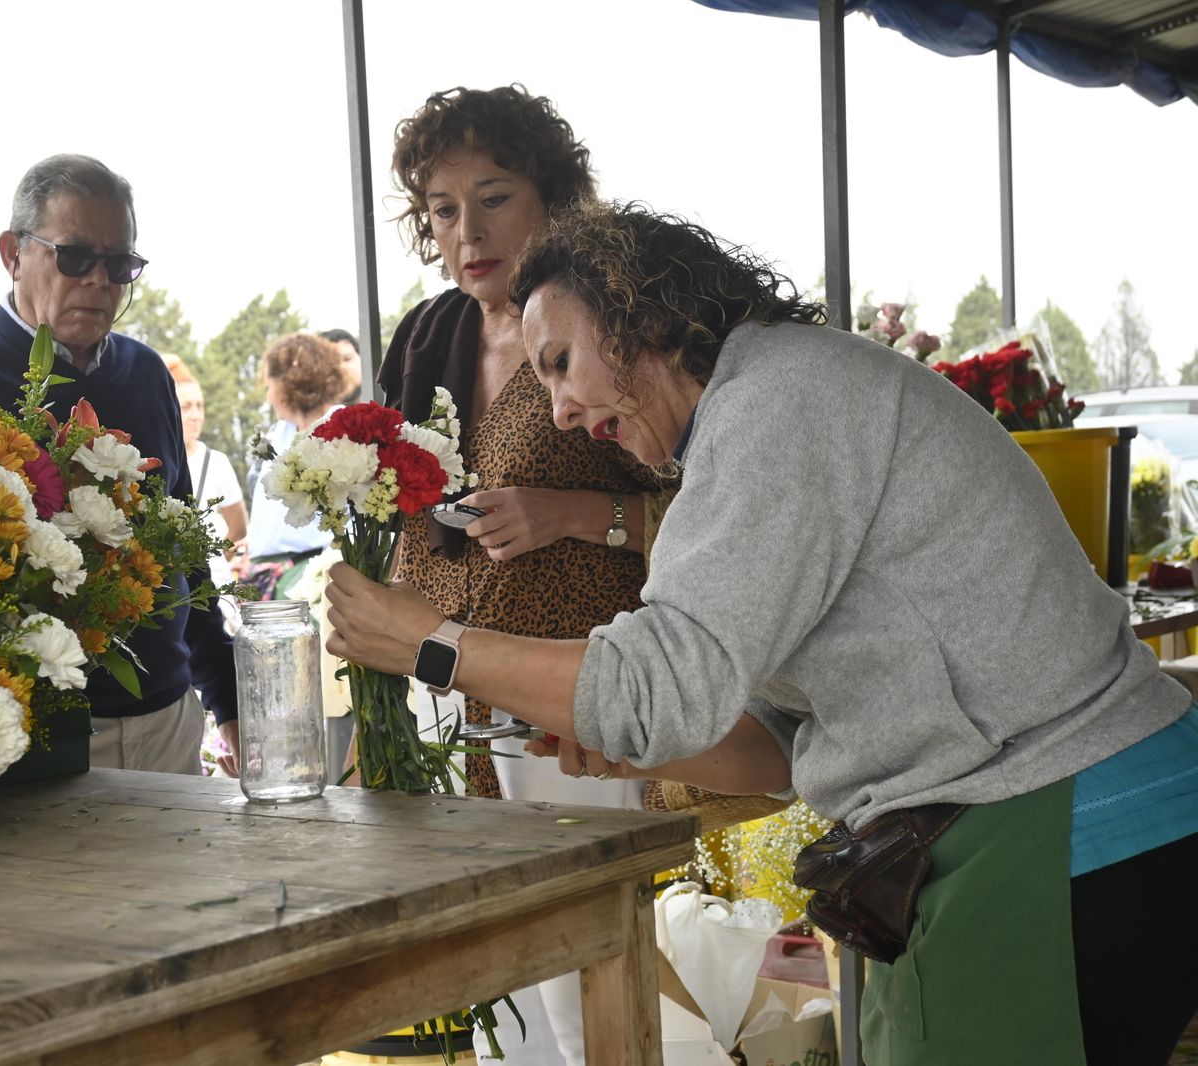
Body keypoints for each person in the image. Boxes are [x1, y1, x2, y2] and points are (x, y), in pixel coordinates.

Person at [327, 199, 1198, 1066]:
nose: (557, 410)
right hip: (1040, 824)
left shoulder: (772, 407)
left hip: (1061, 828)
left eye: (560, 363)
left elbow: (656, 688)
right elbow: (781, 747)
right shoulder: (761, 408)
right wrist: (643, 754)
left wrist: (431, 646)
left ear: (640, 314)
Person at [375, 85, 679, 1065]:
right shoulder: (424, 339)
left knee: (592, 969)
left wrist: (575, 514)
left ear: (555, 197)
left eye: (493, 196)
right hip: (445, 702)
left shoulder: (612, 328)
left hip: (575, 699)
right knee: (499, 983)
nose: (467, 231)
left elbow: (717, 514)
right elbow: (393, 517)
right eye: (442, 209)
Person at [0, 153, 239, 778]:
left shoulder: (147, 374)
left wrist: (229, 699)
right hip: (27, 735)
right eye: (76, 256)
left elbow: (185, 550)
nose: (99, 280)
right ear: (13, 253)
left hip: (167, 721)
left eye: (120, 264)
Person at [241, 331, 355, 600]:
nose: (268, 395)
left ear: (286, 384)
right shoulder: (280, 434)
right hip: (268, 577)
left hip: (314, 575)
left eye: (269, 385)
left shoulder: (340, 428)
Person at [164, 354, 247, 631]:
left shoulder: (217, 461)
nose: (196, 414)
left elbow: (238, 527)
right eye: (186, 406)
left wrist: (215, 559)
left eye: (199, 405)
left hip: (215, 586)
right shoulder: (160, 460)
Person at [319, 327, 364, 404]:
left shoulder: (387, 407)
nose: (341, 368)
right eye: (331, 363)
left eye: (347, 359)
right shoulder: (310, 414)